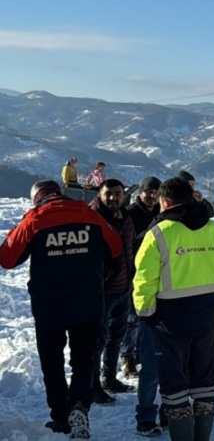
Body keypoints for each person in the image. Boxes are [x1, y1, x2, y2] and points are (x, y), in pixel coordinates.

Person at [0, 180, 122, 438]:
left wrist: (24, 225)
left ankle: (60, 417)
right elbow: (116, 246)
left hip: (49, 307)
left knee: (52, 363)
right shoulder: (88, 215)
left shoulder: (34, 221)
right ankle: (79, 405)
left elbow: (7, 258)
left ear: (37, 199)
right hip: (88, 303)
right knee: (84, 360)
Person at [132, 177, 214, 441]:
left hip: (169, 321)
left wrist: (146, 314)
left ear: (165, 202)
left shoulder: (159, 234)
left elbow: (144, 280)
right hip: (206, 317)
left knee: (174, 384)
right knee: (204, 380)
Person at [88, 179, 138, 405]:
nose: (113, 198)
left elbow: (129, 250)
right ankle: (92, 386)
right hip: (101, 291)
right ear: (99, 193)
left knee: (116, 337)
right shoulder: (91, 217)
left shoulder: (125, 217)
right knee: (96, 339)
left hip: (124, 288)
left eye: (118, 193)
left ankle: (109, 379)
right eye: (109, 193)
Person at [121, 176, 161, 381]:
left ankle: (145, 354)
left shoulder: (163, 212)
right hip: (133, 273)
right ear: (140, 193)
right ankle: (128, 356)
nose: (153, 196)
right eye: (149, 192)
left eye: (156, 192)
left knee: (152, 317)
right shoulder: (129, 214)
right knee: (132, 318)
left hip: (158, 274)